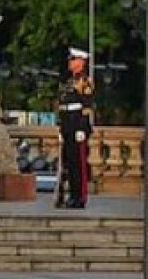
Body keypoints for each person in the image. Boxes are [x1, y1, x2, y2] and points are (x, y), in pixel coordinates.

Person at [55, 45, 95, 208]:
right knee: (68, 163)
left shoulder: (84, 82)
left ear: (81, 62)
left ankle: (79, 197)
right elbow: (62, 106)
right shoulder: (69, 82)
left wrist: (81, 128)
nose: (70, 63)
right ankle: (70, 194)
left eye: (73, 60)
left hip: (77, 124)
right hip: (67, 125)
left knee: (78, 164)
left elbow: (86, 107)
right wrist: (60, 128)